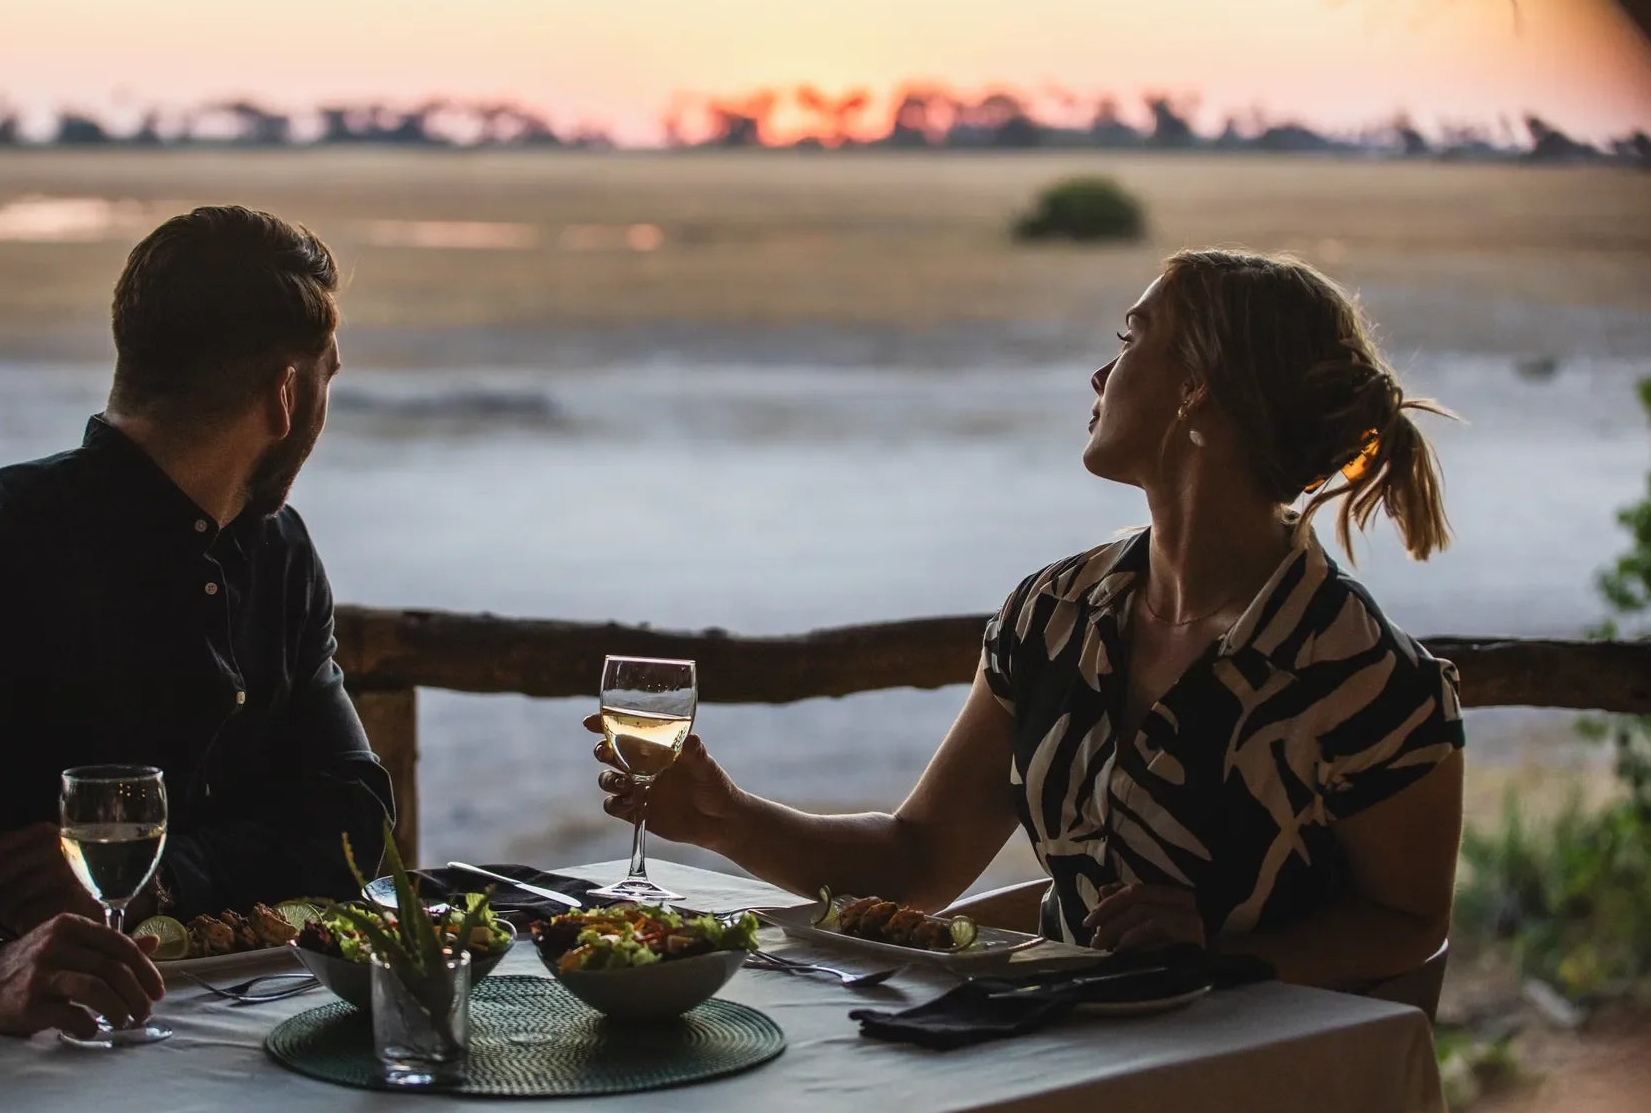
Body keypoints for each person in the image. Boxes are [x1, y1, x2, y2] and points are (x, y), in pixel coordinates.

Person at [590, 249, 1465, 988]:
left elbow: (1409, 922)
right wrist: (728, 818)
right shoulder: (1051, 616)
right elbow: (918, 858)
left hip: (1256, 1093)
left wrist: (1223, 956)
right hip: (1057, 1049)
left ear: (1197, 388)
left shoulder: (1359, 675)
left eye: (1130, 340)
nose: (1098, 373)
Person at [0, 206, 394, 1037]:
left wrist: (165, 875)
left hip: (238, 1038)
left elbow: (351, 814)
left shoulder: (275, 553)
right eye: (327, 378)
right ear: (285, 394)